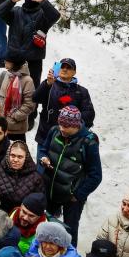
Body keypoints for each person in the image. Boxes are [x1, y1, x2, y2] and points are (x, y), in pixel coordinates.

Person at [37, 105, 102, 244]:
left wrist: (77, 195)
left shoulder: (88, 142)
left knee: (69, 232)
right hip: (50, 189)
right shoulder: (54, 131)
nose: (62, 129)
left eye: (66, 126)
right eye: (60, 124)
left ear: (76, 126)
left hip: (71, 198)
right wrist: (43, 158)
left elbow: (95, 175)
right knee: (45, 224)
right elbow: (43, 149)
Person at [0, 0, 60, 87]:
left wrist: (42, 1)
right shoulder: (16, 12)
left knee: (31, 91)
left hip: (33, 61)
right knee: (11, 90)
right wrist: (12, 0)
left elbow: (55, 15)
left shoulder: (43, 15)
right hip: (14, 58)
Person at [32, 57, 95, 146]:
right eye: (62, 67)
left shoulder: (81, 91)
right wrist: (47, 84)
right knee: (42, 160)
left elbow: (89, 114)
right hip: (46, 136)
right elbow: (35, 99)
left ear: (74, 72)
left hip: (71, 141)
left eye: (68, 68)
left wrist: (71, 119)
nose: (65, 69)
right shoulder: (49, 85)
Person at [0, 140, 44, 213]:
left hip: (21, 218)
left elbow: (37, 203)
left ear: (26, 158)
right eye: (12, 155)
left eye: (20, 157)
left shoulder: (35, 178)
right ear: (8, 155)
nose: (15, 160)